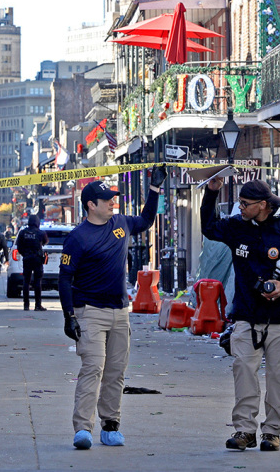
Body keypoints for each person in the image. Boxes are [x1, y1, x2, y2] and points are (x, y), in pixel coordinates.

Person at [200, 178, 280, 452]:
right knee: (243, 370)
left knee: (279, 377)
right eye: (239, 202)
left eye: (245, 204)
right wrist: (211, 192)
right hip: (246, 316)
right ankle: (245, 430)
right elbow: (208, 228)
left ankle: (272, 432)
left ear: (263, 205)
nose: (240, 208)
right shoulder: (236, 227)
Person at [58, 168, 166, 449]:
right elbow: (65, 278)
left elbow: (145, 220)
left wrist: (154, 189)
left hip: (120, 312)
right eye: (106, 199)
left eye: (113, 198)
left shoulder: (121, 223)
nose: (112, 202)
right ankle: (83, 428)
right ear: (91, 205)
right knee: (93, 367)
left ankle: (110, 425)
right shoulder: (78, 238)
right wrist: (69, 316)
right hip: (89, 312)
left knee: (116, 371)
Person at [15, 216, 49, 311]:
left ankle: (26, 305)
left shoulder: (23, 233)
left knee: (26, 281)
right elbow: (45, 241)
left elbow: (19, 246)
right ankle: (38, 305)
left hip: (27, 259)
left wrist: (25, 254)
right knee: (38, 282)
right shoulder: (41, 233)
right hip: (37, 259)